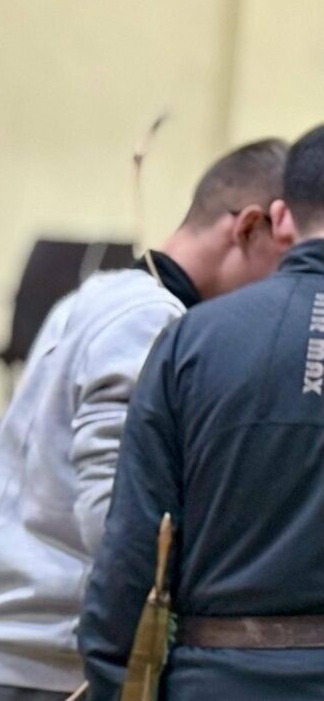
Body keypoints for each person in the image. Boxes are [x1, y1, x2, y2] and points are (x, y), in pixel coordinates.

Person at [0, 139, 292, 701]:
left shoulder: (102, 295)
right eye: (288, 267)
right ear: (249, 228)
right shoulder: (150, 319)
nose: (284, 300)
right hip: (26, 663)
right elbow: (118, 524)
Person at [81, 123, 324, 700]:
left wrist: (117, 683)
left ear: (283, 216)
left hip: (210, 685)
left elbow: (131, 555)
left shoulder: (192, 341)